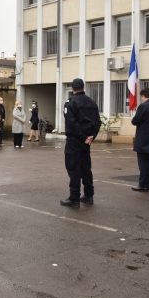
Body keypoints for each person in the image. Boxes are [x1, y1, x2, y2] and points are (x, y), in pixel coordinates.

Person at [60, 79, 102, 207]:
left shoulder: (71, 103)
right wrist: (91, 137)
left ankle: (74, 198)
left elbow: (72, 123)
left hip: (75, 140)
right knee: (86, 168)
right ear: (83, 88)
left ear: (72, 89)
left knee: (73, 168)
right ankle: (89, 195)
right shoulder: (92, 102)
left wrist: (83, 136)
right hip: (86, 141)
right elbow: (97, 122)